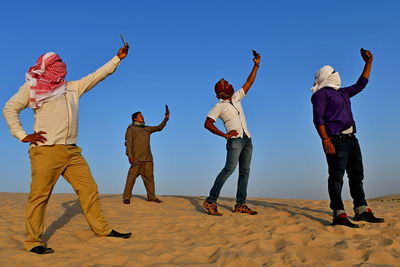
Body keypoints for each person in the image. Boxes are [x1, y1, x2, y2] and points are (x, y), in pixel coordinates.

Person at [3, 44, 132, 254]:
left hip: (72, 152)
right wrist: (22, 135)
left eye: (61, 62)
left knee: (89, 189)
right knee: (39, 196)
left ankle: (102, 230)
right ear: (45, 67)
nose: (61, 66)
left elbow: (97, 76)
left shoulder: (72, 87)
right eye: (56, 63)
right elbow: (9, 108)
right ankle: (33, 241)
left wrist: (117, 59)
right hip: (46, 151)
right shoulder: (32, 88)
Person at [311, 49, 384, 228]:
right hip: (335, 140)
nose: (337, 74)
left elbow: (361, 84)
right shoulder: (321, 94)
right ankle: (339, 214)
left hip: (352, 140)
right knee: (336, 177)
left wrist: (368, 63)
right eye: (334, 72)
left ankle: (361, 210)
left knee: (357, 176)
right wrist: (325, 140)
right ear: (327, 76)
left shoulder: (343, 92)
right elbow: (318, 119)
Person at [202, 51, 261, 216]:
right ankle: (210, 201)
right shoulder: (218, 106)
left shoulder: (236, 98)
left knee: (245, 172)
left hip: (247, 139)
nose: (229, 84)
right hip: (234, 141)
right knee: (228, 169)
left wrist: (256, 65)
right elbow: (207, 123)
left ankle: (240, 204)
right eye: (226, 83)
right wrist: (225, 135)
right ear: (221, 91)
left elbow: (249, 82)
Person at [122, 106, 169, 204]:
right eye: (140, 116)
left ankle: (152, 197)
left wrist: (165, 119)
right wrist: (130, 156)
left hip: (148, 158)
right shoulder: (131, 129)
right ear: (135, 118)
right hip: (136, 158)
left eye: (142, 116)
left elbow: (158, 128)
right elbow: (128, 143)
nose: (142, 117)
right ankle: (126, 197)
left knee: (150, 178)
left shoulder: (147, 129)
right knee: (131, 178)